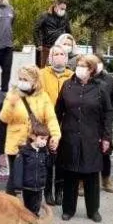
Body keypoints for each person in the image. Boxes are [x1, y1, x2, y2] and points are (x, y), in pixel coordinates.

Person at [56, 55, 113, 223]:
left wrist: (106, 137)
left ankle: (93, 210)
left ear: (91, 70)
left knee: (91, 176)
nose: (80, 69)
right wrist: (54, 133)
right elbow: (58, 111)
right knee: (70, 174)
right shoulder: (67, 85)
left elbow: (108, 114)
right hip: (70, 137)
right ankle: (68, 209)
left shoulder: (101, 88)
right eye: (78, 65)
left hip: (92, 137)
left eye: (84, 66)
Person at [0, 65, 61, 197]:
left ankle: (31, 208)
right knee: (14, 178)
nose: (22, 82)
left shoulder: (43, 96)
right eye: (20, 78)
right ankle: (11, 208)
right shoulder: (12, 94)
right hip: (16, 144)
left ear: (35, 81)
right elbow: (4, 118)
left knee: (32, 178)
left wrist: (55, 135)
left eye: (25, 79)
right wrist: (11, 103)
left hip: (34, 144)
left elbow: (51, 118)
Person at [39, 46, 73, 205]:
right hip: (46, 124)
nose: (59, 57)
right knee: (48, 160)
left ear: (66, 58)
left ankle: (59, 190)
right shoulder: (41, 74)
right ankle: (47, 191)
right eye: (55, 54)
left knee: (61, 160)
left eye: (62, 54)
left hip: (67, 125)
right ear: (50, 58)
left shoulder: (72, 76)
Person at [12, 122, 50, 224]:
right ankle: (23, 221)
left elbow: (49, 165)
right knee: (26, 205)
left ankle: (33, 221)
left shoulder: (45, 152)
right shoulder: (24, 152)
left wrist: (52, 152)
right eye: (42, 138)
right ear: (33, 137)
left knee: (36, 205)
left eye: (46, 139)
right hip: (27, 185)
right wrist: (18, 187)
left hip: (39, 185)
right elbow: (18, 171)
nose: (44, 141)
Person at [94, 54, 113, 193]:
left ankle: (106, 179)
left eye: (98, 62)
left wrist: (111, 115)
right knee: (86, 151)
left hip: (105, 121)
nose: (96, 64)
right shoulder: (85, 79)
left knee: (105, 152)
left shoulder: (109, 80)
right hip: (89, 122)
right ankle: (81, 181)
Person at [33, 0, 70, 67]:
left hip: (60, 48)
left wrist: (69, 43)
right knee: (44, 69)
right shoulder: (45, 15)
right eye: (62, 8)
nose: (63, 11)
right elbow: (36, 29)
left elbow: (68, 31)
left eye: (64, 9)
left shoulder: (65, 16)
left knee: (59, 67)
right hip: (47, 47)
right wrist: (38, 44)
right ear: (56, 6)